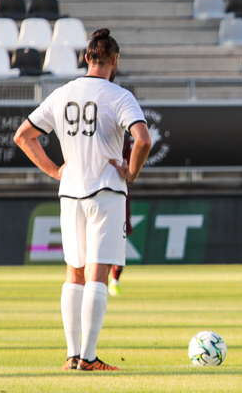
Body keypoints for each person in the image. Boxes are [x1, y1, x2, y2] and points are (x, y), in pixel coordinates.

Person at [14, 28, 152, 371]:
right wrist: (131, 172)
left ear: (87, 58)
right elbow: (143, 140)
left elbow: (23, 136)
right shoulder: (119, 95)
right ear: (114, 60)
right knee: (97, 274)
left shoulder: (62, 93)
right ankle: (88, 357)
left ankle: (71, 355)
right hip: (105, 191)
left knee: (73, 273)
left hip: (70, 191)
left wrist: (54, 170)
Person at [109, 134, 133, 297]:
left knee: (119, 240)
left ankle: (115, 280)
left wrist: (127, 172)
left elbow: (130, 169)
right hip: (93, 192)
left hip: (117, 192)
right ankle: (97, 283)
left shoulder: (124, 140)